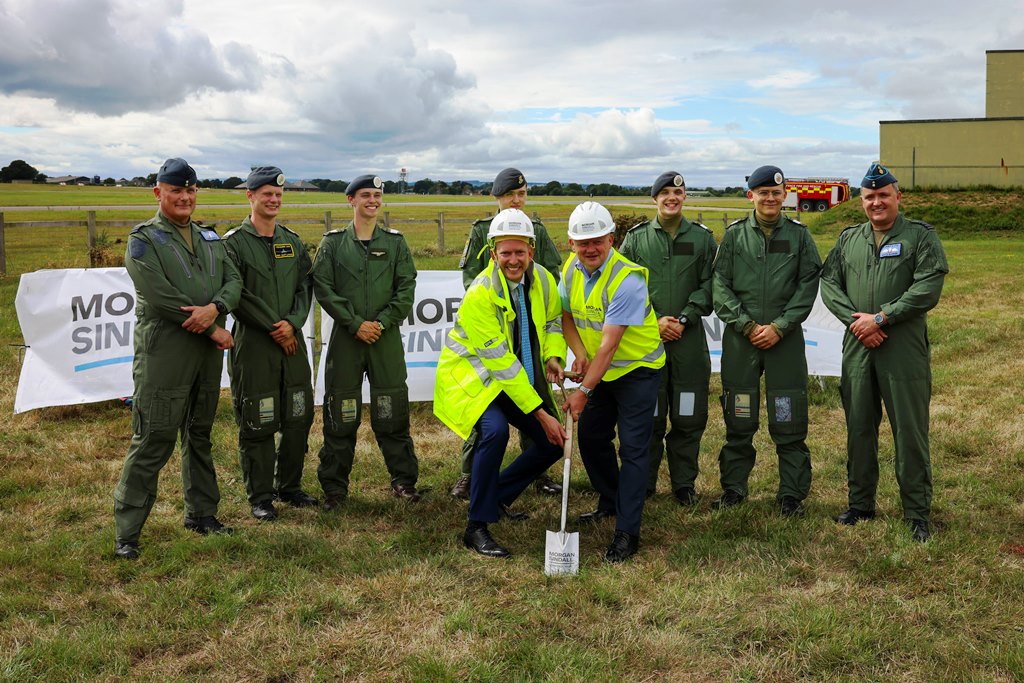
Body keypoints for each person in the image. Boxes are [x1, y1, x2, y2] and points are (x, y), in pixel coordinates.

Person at [113, 158, 241, 559]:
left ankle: (202, 514)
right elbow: (158, 294)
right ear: (159, 193)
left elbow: (234, 280)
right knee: (154, 436)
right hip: (166, 349)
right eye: (176, 191)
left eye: (190, 191)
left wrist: (216, 306)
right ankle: (127, 532)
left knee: (199, 433)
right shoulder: (144, 240)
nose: (185, 197)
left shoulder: (209, 238)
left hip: (204, 353)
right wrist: (212, 325)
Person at [820, 163, 948, 542]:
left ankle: (916, 513)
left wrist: (881, 318)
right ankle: (861, 504)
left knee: (909, 430)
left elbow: (928, 287)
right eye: (869, 197)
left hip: (902, 347)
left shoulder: (920, 237)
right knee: (859, 427)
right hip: (858, 345)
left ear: (897, 197)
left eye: (883, 195)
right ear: (861, 201)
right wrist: (857, 323)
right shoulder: (849, 240)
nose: (876, 202)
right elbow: (829, 284)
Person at [435, 209, 568, 557]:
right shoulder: (480, 294)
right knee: (495, 432)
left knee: (553, 444)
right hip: (475, 378)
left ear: (531, 252)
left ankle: (495, 499)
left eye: (519, 252)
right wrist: (541, 413)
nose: (513, 260)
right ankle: (476, 525)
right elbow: (502, 366)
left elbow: (553, 322)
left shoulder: (544, 281)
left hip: (513, 378)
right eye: (505, 253)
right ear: (493, 254)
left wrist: (554, 356)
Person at [712, 165, 821, 516]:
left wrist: (780, 326)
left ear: (785, 195)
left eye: (776, 192)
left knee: (788, 418)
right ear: (751, 196)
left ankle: (791, 495)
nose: (770, 198)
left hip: (784, 341)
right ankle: (733, 490)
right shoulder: (733, 236)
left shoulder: (800, 236)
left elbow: (808, 284)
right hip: (741, 342)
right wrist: (745, 326)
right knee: (739, 416)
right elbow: (720, 284)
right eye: (763, 192)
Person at [450, 167, 564, 500]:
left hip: (528, 330)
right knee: (490, 418)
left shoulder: (537, 230)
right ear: (497, 197)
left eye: (522, 194)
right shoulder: (483, 230)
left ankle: (536, 472)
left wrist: (551, 351)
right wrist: (498, 305)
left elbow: (548, 277)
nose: (516, 200)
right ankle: (470, 474)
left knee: (532, 393)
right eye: (510, 194)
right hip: (495, 327)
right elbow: (474, 277)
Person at [560, 201, 665, 563]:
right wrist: (577, 351)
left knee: (634, 449)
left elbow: (610, 343)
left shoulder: (628, 278)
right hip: (601, 371)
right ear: (571, 243)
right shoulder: (571, 269)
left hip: (637, 371)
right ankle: (610, 500)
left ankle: (627, 532)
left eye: (597, 241)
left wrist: (583, 391)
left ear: (611, 239)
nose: (590, 249)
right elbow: (567, 316)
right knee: (591, 437)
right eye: (581, 242)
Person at [313, 174, 420, 509]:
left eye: (377, 195)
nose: (372, 200)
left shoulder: (395, 243)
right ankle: (334, 488)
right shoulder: (332, 244)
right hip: (346, 340)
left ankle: (403, 481)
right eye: (365, 195)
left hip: (384, 340)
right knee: (341, 414)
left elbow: (406, 289)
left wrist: (382, 322)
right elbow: (324, 289)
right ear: (351, 200)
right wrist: (355, 324)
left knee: (393, 413)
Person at [223, 166, 318, 522]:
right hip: (255, 345)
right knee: (258, 418)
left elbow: (305, 286)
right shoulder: (233, 244)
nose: (274, 200)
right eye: (267, 194)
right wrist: (273, 327)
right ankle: (261, 496)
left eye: (278, 195)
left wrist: (292, 324)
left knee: (298, 414)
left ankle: (289, 486)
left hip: (292, 344)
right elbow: (237, 293)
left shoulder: (291, 241)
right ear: (251, 196)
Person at [620, 171, 716, 505]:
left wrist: (686, 317)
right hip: (648, 342)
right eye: (665, 193)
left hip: (688, 343)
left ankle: (683, 484)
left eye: (678, 191)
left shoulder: (703, 239)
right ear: (654, 199)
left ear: (685, 196)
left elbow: (710, 284)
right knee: (650, 416)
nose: (671, 197)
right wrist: (654, 322)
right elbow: (624, 288)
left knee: (689, 416)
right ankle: (643, 482)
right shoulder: (636, 239)